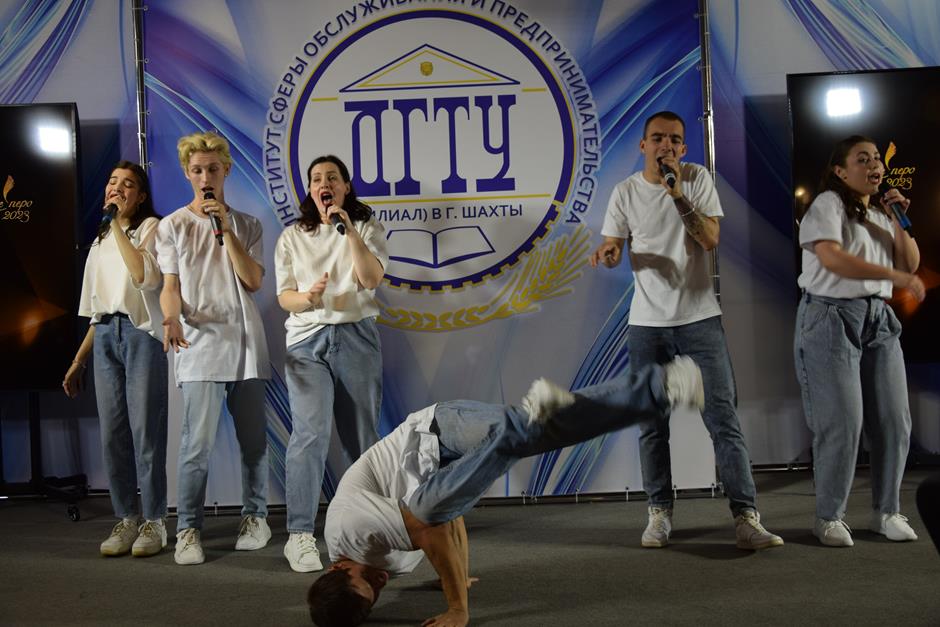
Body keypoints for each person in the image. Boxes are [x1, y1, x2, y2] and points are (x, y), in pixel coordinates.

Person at [307, 356, 704, 627]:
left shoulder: (349, 528)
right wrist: (458, 576)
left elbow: (432, 526)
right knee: (539, 429)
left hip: (436, 430)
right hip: (441, 475)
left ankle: (528, 422)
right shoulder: (371, 560)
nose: (381, 578)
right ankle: (661, 386)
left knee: (511, 442)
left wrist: (457, 608)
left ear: (337, 568)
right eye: (378, 589)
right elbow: (450, 519)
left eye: (367, 578)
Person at [588, 110, 782, 550]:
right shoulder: (625, 192)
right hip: (647, 325)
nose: (667, 146)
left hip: (699, 319)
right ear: (643, 146)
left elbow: (710, 239)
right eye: (658, 138)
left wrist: (677, 195)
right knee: (651, 425)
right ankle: (659, 513)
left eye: (675, 139)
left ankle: (746, 517)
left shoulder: (695, 180)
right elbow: (613, 245)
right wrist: (610, 252)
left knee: (723, 421)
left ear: (684, 147)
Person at [794, 135, 923, 547]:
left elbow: (910, 263)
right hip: (831, 316)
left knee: (894, 420)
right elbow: (831, 257)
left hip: (878, 319)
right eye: (862, 159)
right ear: (840, 171)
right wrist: (892, 276)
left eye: (876, 160)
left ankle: (886, 512)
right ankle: (829, 517)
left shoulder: (882, 215)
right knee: (843, 422)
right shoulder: (828, 204)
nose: (874, 166)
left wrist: (900, 220)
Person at [156, 131, 272, 565]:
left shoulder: (248, 224)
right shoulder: (172, 226)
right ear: (187, 174)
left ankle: (255, 517)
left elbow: (253, 281)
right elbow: (170, 287)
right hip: (200, 344)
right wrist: (171, 317)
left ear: (226, 171)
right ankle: (188, 529)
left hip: (246, 346)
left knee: (254, 443)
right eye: (198, 170)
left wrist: (226, 228)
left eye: (213, 169)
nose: (205, 177)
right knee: (196, 447)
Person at [275, 155, 388, 573]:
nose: (324, 184)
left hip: (357, 336)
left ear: (345, 187)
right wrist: (308, 298)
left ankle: (368, 528)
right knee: (310, 434)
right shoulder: (292, 236)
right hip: (306, 341)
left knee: (362, 437)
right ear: (310, 190)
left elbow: (370, 279)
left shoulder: (365, 227)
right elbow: (284, 296)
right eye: (317, 179)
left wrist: (349, 230)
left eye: (332, 178)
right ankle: (301, 535)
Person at [63, 161, 168, 557]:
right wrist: (79, 360)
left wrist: (119, 227)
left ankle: (154, 520)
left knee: (146, 434)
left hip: (140, 336)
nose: (116, 188)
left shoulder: (150, 228)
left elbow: (143, 276)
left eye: (127, 185)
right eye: (112, 182)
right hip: (106, 336)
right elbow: (97, 311)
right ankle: (127, 518)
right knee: (113, 435)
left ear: (140, 197)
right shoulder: (101, 239)